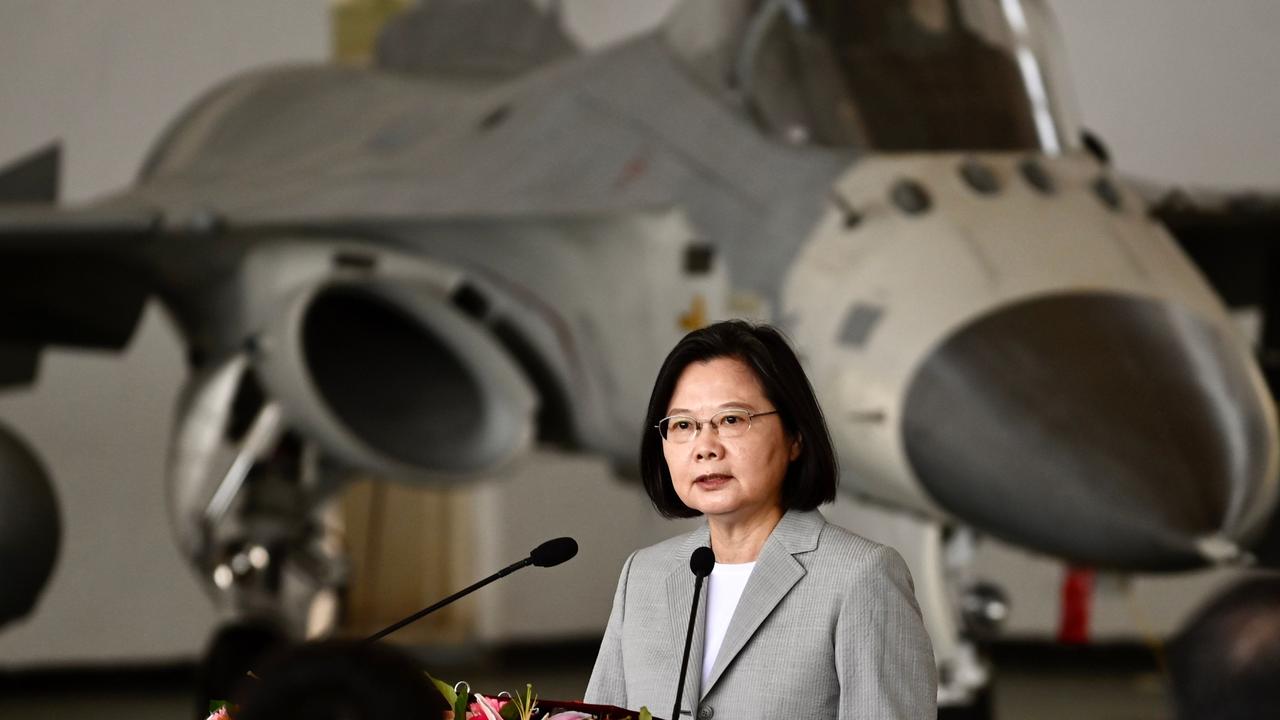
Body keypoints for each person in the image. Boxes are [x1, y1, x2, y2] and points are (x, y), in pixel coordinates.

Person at [585, 320, 937, 719]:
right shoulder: (643, 576)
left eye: (732, 420)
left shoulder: (861, 577)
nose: (705, 447)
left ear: (795, 437)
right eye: (683, 425)